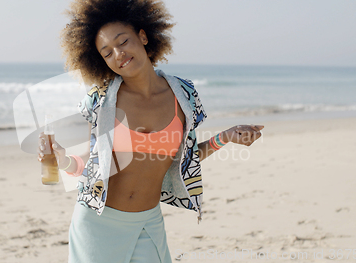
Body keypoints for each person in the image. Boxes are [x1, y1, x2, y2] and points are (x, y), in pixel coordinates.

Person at [38, 0, 264, 262]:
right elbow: (95, 165)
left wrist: (225, 137)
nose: (118, 54)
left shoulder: (185, 95)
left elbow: (184, 160)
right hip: (97, 224)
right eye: (107, 52)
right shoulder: (100, 100)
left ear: (143, 36)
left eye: (123, 42)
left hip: (148, 223)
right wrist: (62, 159)